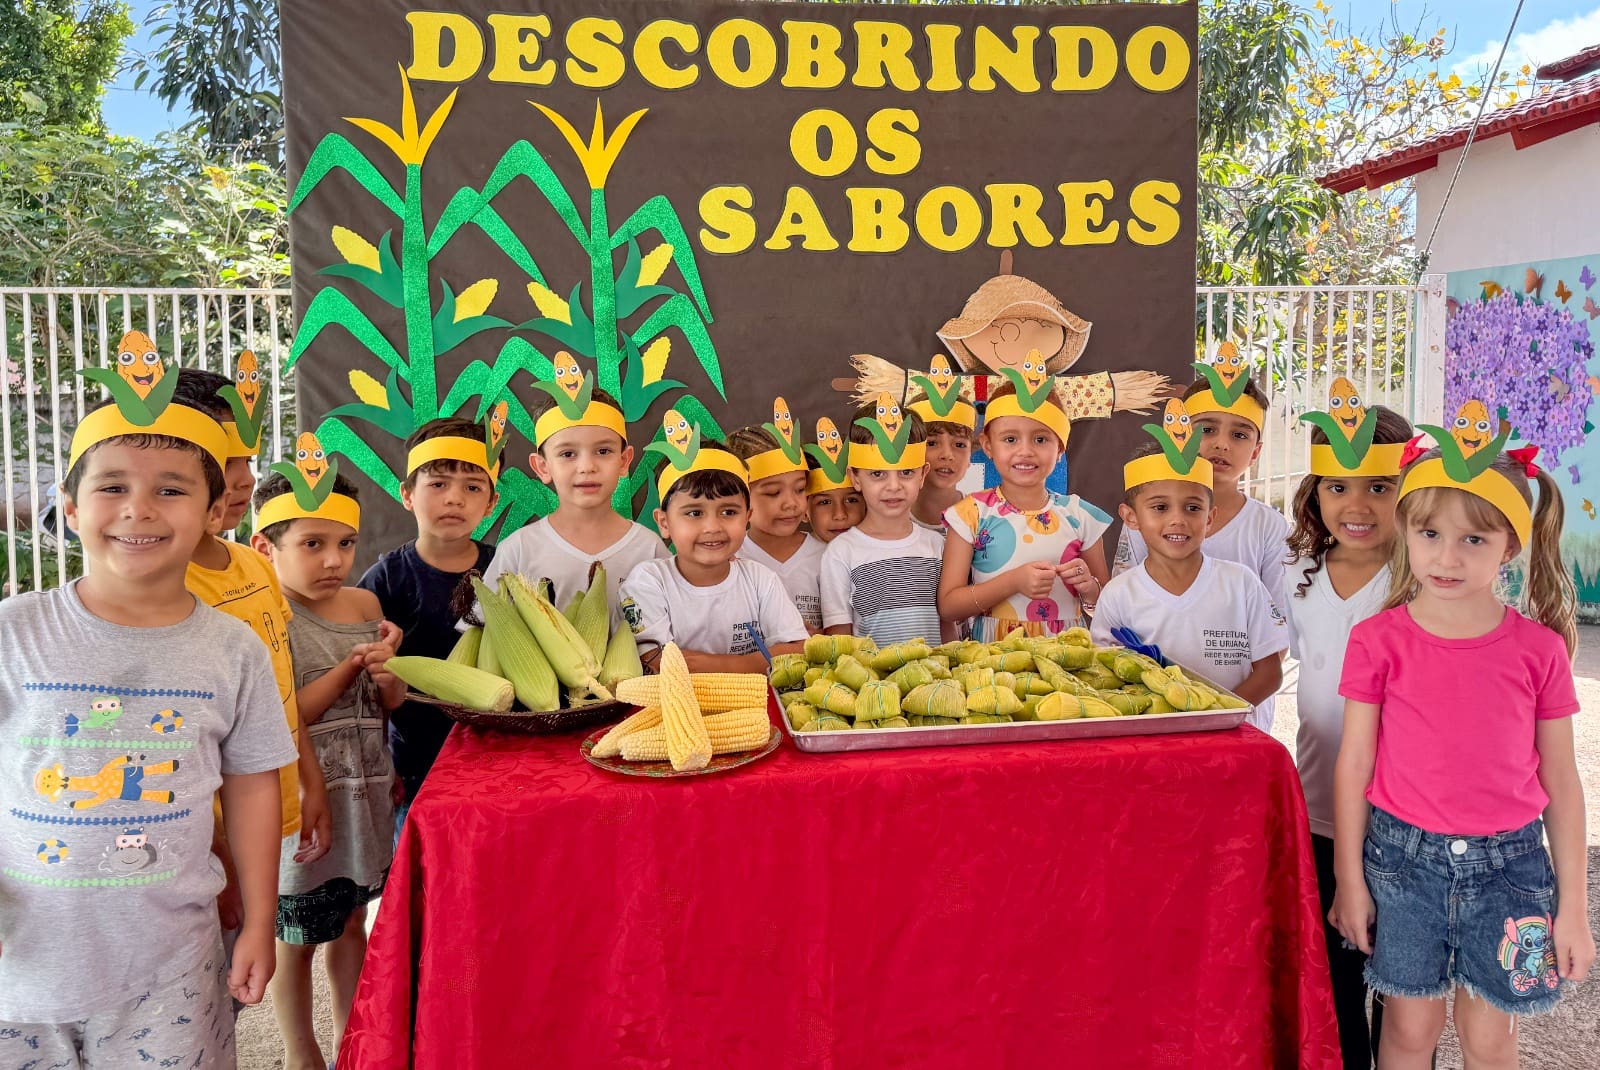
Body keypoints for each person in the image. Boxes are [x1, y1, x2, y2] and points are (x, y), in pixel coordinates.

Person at [0, 360, 295, 1067]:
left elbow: (253, 785)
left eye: (171, 490)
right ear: (70, 508)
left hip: (172, 967)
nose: (140, 508)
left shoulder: (234, 649)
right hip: (21, 964)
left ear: (214, 511)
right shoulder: (15, 631)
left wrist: (260, 921)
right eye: (112, 488)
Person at [1331, 417, 1595, 1069]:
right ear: (1407, 535)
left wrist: (1574, 908)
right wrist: (1348, 881)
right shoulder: (1377, 640)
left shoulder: (1539, 651)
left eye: (1473, 538)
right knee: (1407, 1035)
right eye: (1430, 534)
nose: (1446, 557)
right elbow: (1354, 765)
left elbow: (1562, 781)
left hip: (1512, 875)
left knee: (1489, 1040)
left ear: (1508, 546)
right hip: (1401, 867)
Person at [251, 467, 402, 1070]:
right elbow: (287, 712)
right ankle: (299, 1053)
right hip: (306, 805)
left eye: (344, 543)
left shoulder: (365, 603)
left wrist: (390, 679)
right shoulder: (267, 615)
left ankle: (352, 1039)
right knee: (297, 942)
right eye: (312, 545)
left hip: (364, 790)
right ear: (265, 546)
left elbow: (384, 704)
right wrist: (349, 669)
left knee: (351, 927)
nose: (334, 560)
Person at [175, 367, 329, 955]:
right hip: (204, 838)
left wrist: (310, 782)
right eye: (221, 459)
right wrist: (218, 857)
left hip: (271, 805)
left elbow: (280, 693)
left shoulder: (256, 567)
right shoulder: (169, 589)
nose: (241, 481)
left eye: (246, 459)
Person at [1282, 388, 1413, 1069]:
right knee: (1335, 980)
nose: (1356, 506)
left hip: (1402, 819)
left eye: (1380, 487)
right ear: (1316, 491)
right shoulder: (1297, 576)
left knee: (1401, 981)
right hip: (1321, 811)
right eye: (1338, 486)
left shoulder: (1419, 580)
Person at [1090, 424, 1286, 731]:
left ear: (1209, 518)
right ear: (1131, 517)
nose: (1178, 519)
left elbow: (1270, 673)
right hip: (1155, 745)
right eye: (1160, 507)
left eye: (1192, 508)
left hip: (1236, 742)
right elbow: (1108, 678)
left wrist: (1217, 718)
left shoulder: (1242, 584)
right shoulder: (1118, 595)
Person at [358, 418, 497, 814]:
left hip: (494, 757)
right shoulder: (386, 580)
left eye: (472, 487)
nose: (454, 499)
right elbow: (367, 689)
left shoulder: (505, 570)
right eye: (438, 484)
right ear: (407, 494)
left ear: (491, 502)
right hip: (415, 766)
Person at [620, 422, 807, 671]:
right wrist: (758, 662)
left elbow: (796, 649)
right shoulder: (649, 582)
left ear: (747, 517)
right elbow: (655, 660)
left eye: (728, 512)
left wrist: (717, 663)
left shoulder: (761, 580)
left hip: (754, 706)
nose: (712, 527)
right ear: (664, 523)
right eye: (695, 513)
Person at [1113, 344, 1289, 606]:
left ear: (1255, 453)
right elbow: (1125, 598)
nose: (1221, 444)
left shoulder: (1269, 526)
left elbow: (1278, 616)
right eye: (1206, 430)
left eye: (1239, 435)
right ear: (1179, 436)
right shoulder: (1148, 514)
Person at [938, 380, 1111, 641]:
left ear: (1060, 448)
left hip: (1065, 656)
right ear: (987, 446)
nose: (1025, 451)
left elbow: (1108, 605)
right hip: (994, 660)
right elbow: (949, 607)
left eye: (1041, 439)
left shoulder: (1081, 516)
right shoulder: (970, 514)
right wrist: (1013, 582)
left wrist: (1090, 590)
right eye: (1010, 439)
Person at [479, 373, 665, 613]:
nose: (587, 467)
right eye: (567, 454)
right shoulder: (518, 550)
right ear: (542, 467)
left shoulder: (649, 549)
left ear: (624, 461)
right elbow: (485, 630)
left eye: (603, 451)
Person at [820, 397, 946, 645]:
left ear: (923, 475)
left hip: (935, 680)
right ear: (855, 478)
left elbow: (947, 628)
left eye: (906, 472)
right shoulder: (841, 553)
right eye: (877, 474)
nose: (893, 487)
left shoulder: (937, 546)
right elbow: (839, 638)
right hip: (872, 683)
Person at [727, 400, 826, 631]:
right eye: (773, 493)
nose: (791, 503)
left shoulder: (826, 556)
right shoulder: (729, 558)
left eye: (800, 489)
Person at [907, 360, 978, 534]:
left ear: (970, 456)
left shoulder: (982, 517)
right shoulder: (890, 516)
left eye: (960, 445)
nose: (947, 455)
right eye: (931, 443)